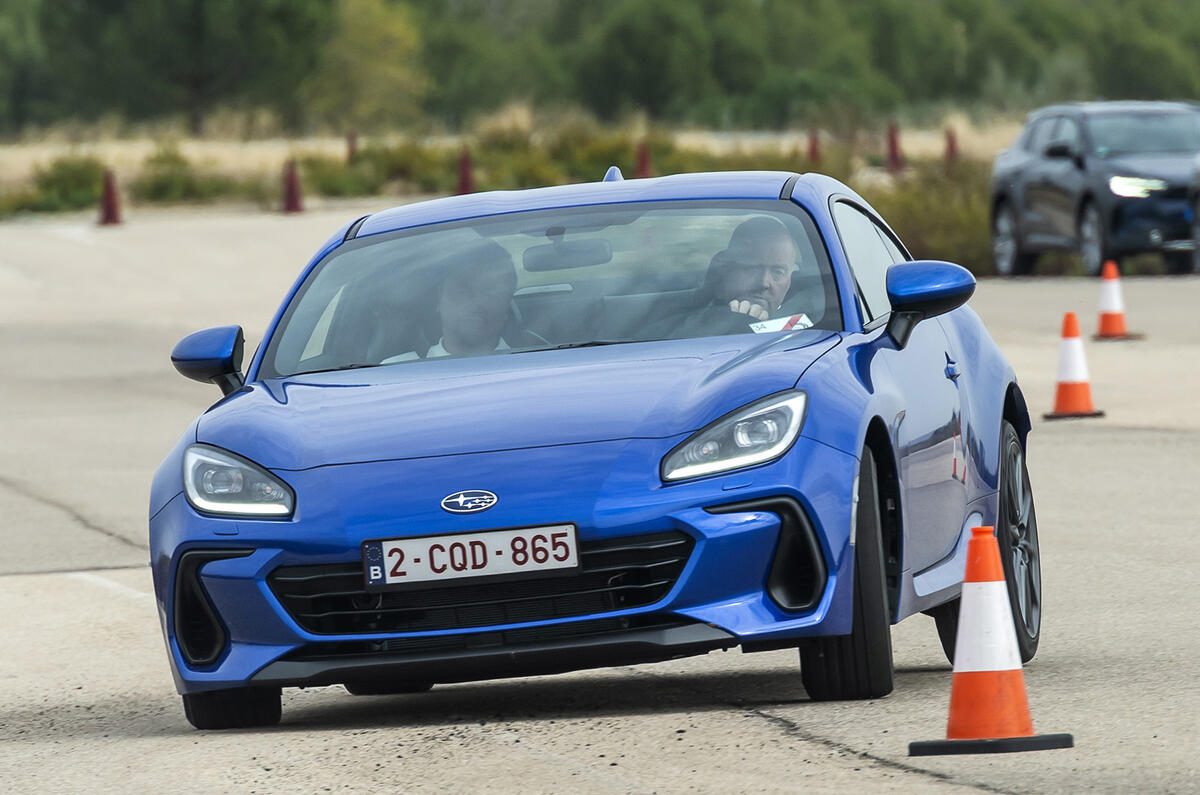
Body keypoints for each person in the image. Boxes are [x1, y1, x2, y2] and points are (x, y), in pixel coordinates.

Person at [382, 239, 518, 362]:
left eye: (489, 292)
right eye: (463, 291)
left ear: (507, 305)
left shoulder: (532, 368)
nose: (476, 302)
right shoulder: (391, 372)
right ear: (439, 299)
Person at [703, 215, 796, 321]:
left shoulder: (804, 325)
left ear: (790, 280)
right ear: (728, 270)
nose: (763, 283)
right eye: (753, 268)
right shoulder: (697, 325)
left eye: (778, 272)